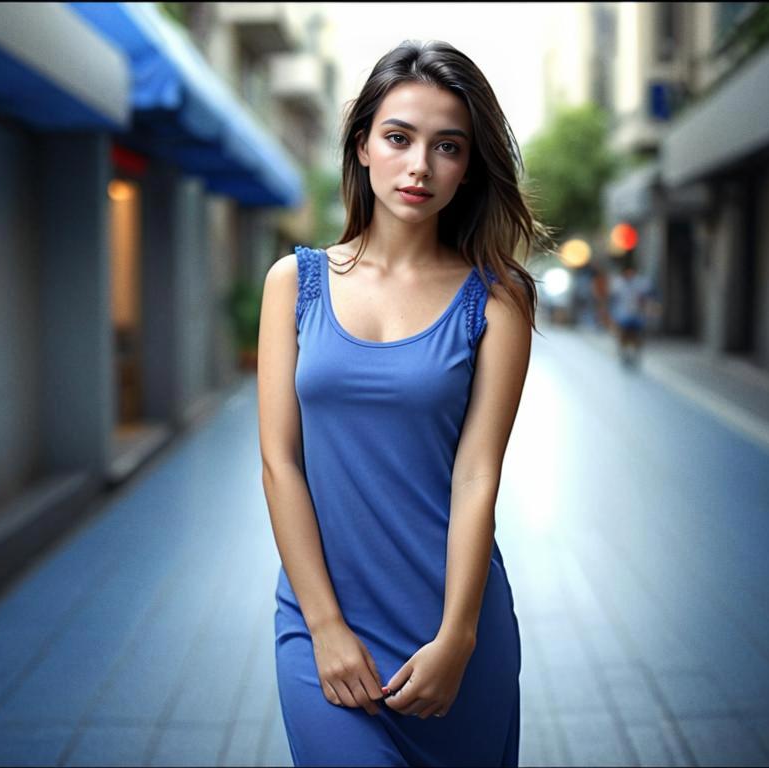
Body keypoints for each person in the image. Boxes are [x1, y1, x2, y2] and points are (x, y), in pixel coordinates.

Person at [256, 39, 547, 767]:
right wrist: (323, 627)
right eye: (398, 138)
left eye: (448, 147)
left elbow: (477, 476)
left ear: (469, 165)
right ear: (361, 146)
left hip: (451, 633)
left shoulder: (498, 298)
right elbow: (279, 462)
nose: (420, 166)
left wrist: (459, 639)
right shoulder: (294, 283)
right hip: (324, 620)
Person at [608, 258, 657, 368]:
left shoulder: (642, 282)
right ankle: (624, 353)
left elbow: (650, 295)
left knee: (636, 336)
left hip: (637, 314)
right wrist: (611, 314)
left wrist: (648, 308)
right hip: (622, 314)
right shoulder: (618, 283)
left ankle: (636, 354)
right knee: (624, 335)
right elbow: (613, 299)